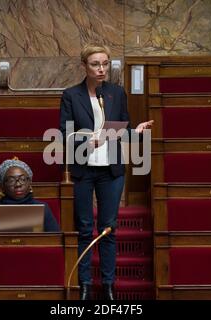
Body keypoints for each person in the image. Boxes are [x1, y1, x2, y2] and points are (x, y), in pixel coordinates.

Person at [59, 44, 153, 300]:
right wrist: (87, 142)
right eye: (95, 64)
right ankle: (86, 284)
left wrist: (137, 132)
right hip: (83, 169)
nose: (101, 69)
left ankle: (109, 285)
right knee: (85, 227)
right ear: (84, 66)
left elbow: (123, 129)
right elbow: (64, 134)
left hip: (111, 170)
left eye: (104, 64)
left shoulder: (116, 93)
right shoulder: (71, 95)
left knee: (109, 228)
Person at [0, 157, 60, 232]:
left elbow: (54, 239)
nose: (18, 184)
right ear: (2, 186)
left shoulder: (43, 208)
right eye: (11, 180)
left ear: (29, 182)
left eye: (22, 179)